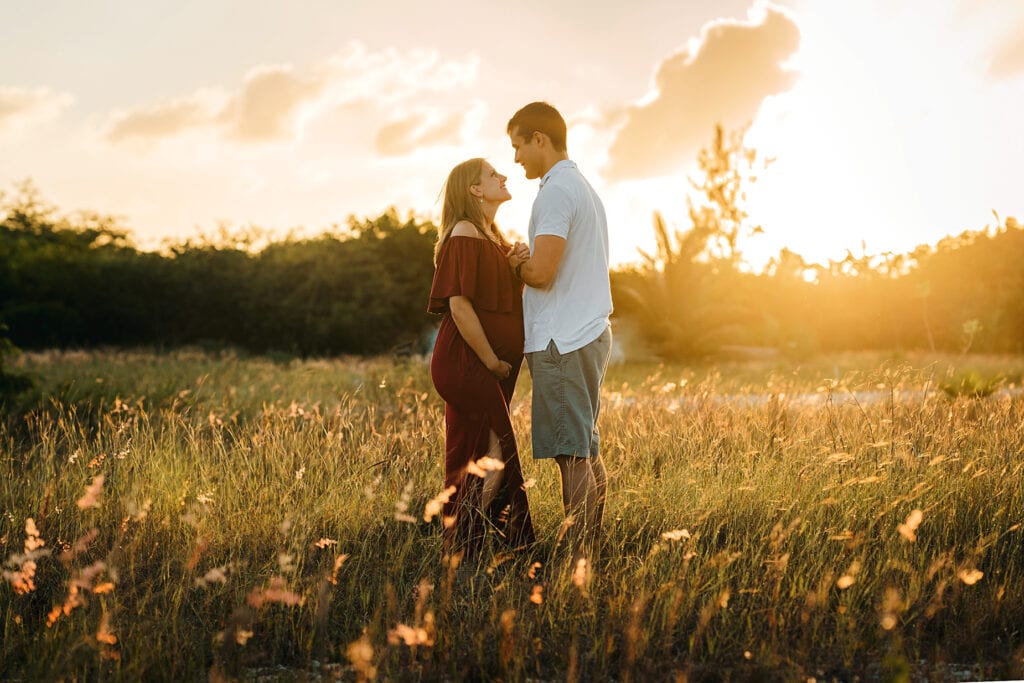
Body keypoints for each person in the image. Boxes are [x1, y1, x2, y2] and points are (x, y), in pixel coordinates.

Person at [505, 102, 613, 560]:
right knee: (584, 448)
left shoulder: (554, 191)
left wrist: (517, 264)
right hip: (585, 332)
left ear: (539, 139)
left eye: (518, 146)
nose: (515, 159)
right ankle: (594, 547)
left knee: (571, 455)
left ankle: (580, 558)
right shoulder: (581, 186)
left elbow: (543, 273)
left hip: (562, 340)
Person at [428, 158, 535, 564]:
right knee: (494, 449)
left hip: (490, 363)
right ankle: (466, 552)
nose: (503, 177)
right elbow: (459, 305)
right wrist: (490, 360)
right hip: (467, 360)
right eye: (493, 175)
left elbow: (501, 304)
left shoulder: (492, 236)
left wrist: (514, 271)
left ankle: (468, 547)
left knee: (481, 451)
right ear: (474, 190)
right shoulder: (465, 231)